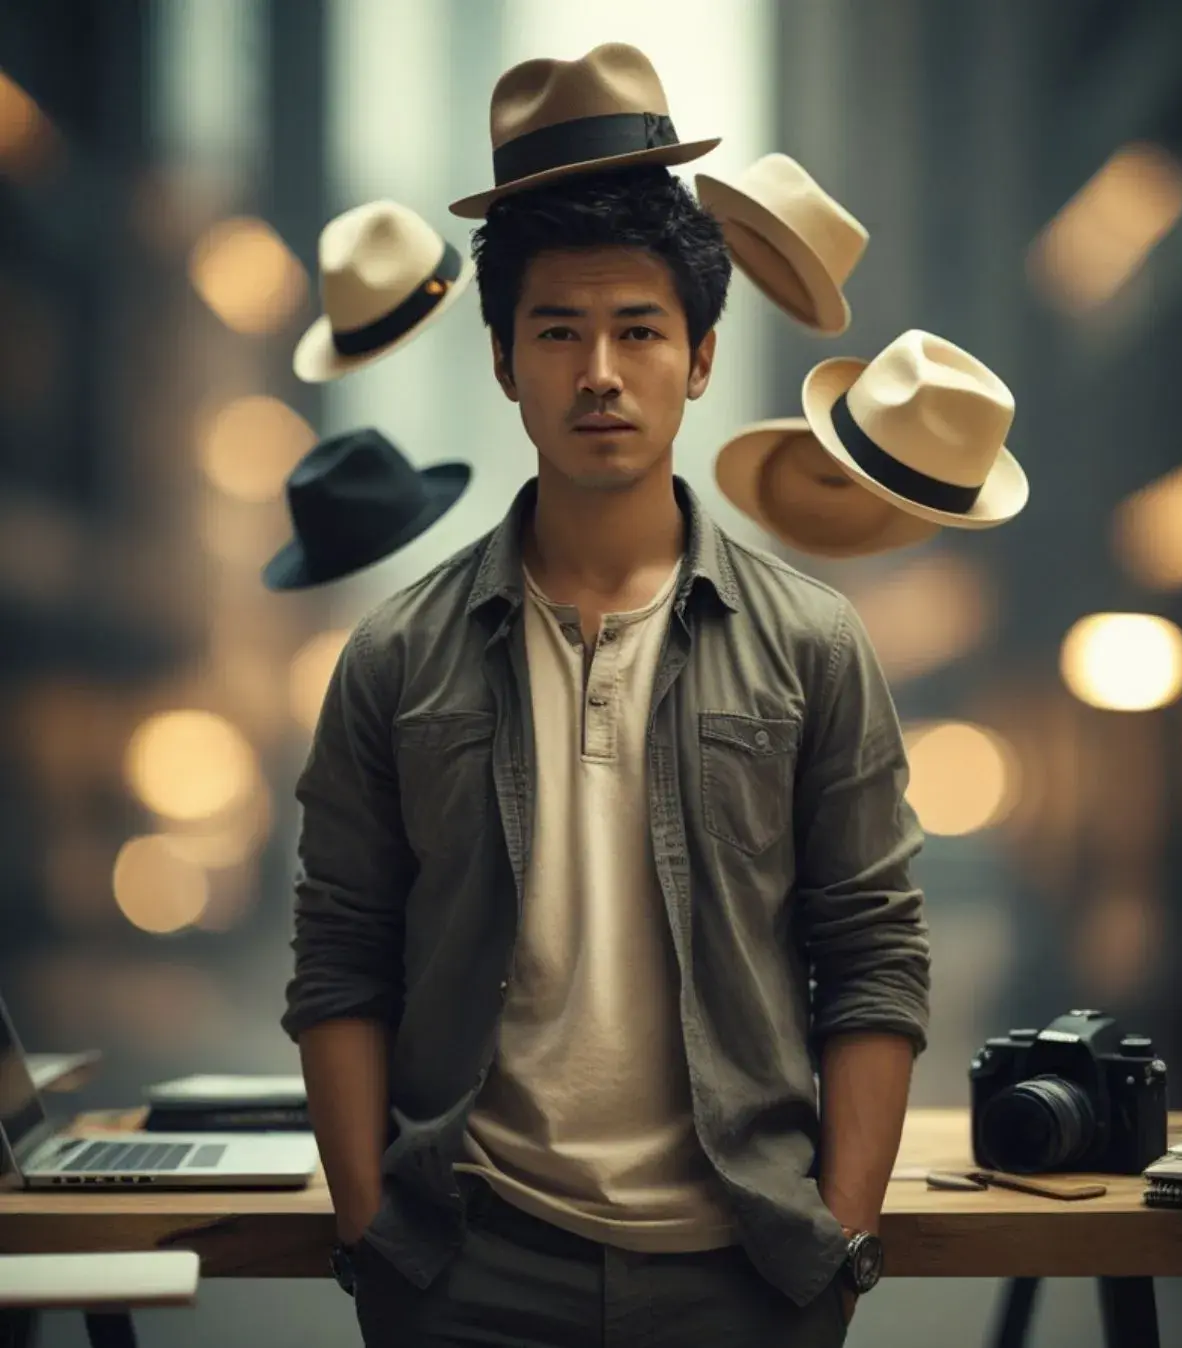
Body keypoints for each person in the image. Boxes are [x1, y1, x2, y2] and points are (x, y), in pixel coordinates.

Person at [282, 164, 931, 1348]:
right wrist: (373, 1233)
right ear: (501, 361)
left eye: (638, 330)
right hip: (467, 1265)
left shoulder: (811, 645)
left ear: (698, 359)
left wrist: (838, 1239)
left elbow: (872, 945)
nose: (597, 372)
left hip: (744, 1273)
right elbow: (341, 949)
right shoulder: (395, 654)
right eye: (557, 331)